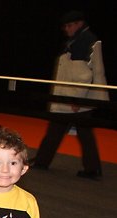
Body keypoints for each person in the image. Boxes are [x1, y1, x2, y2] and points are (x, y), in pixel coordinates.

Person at [33, 10, 109, 180]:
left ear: (79, 24)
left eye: (69, 26)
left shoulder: (82, 42)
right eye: (65, 26)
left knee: (66, 129)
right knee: (72, 130)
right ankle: (43, 161)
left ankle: (44, 161)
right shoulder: (84, 39)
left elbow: (83, 75)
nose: (66, 29)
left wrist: (76, 99)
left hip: (75, 98)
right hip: (78, 97)